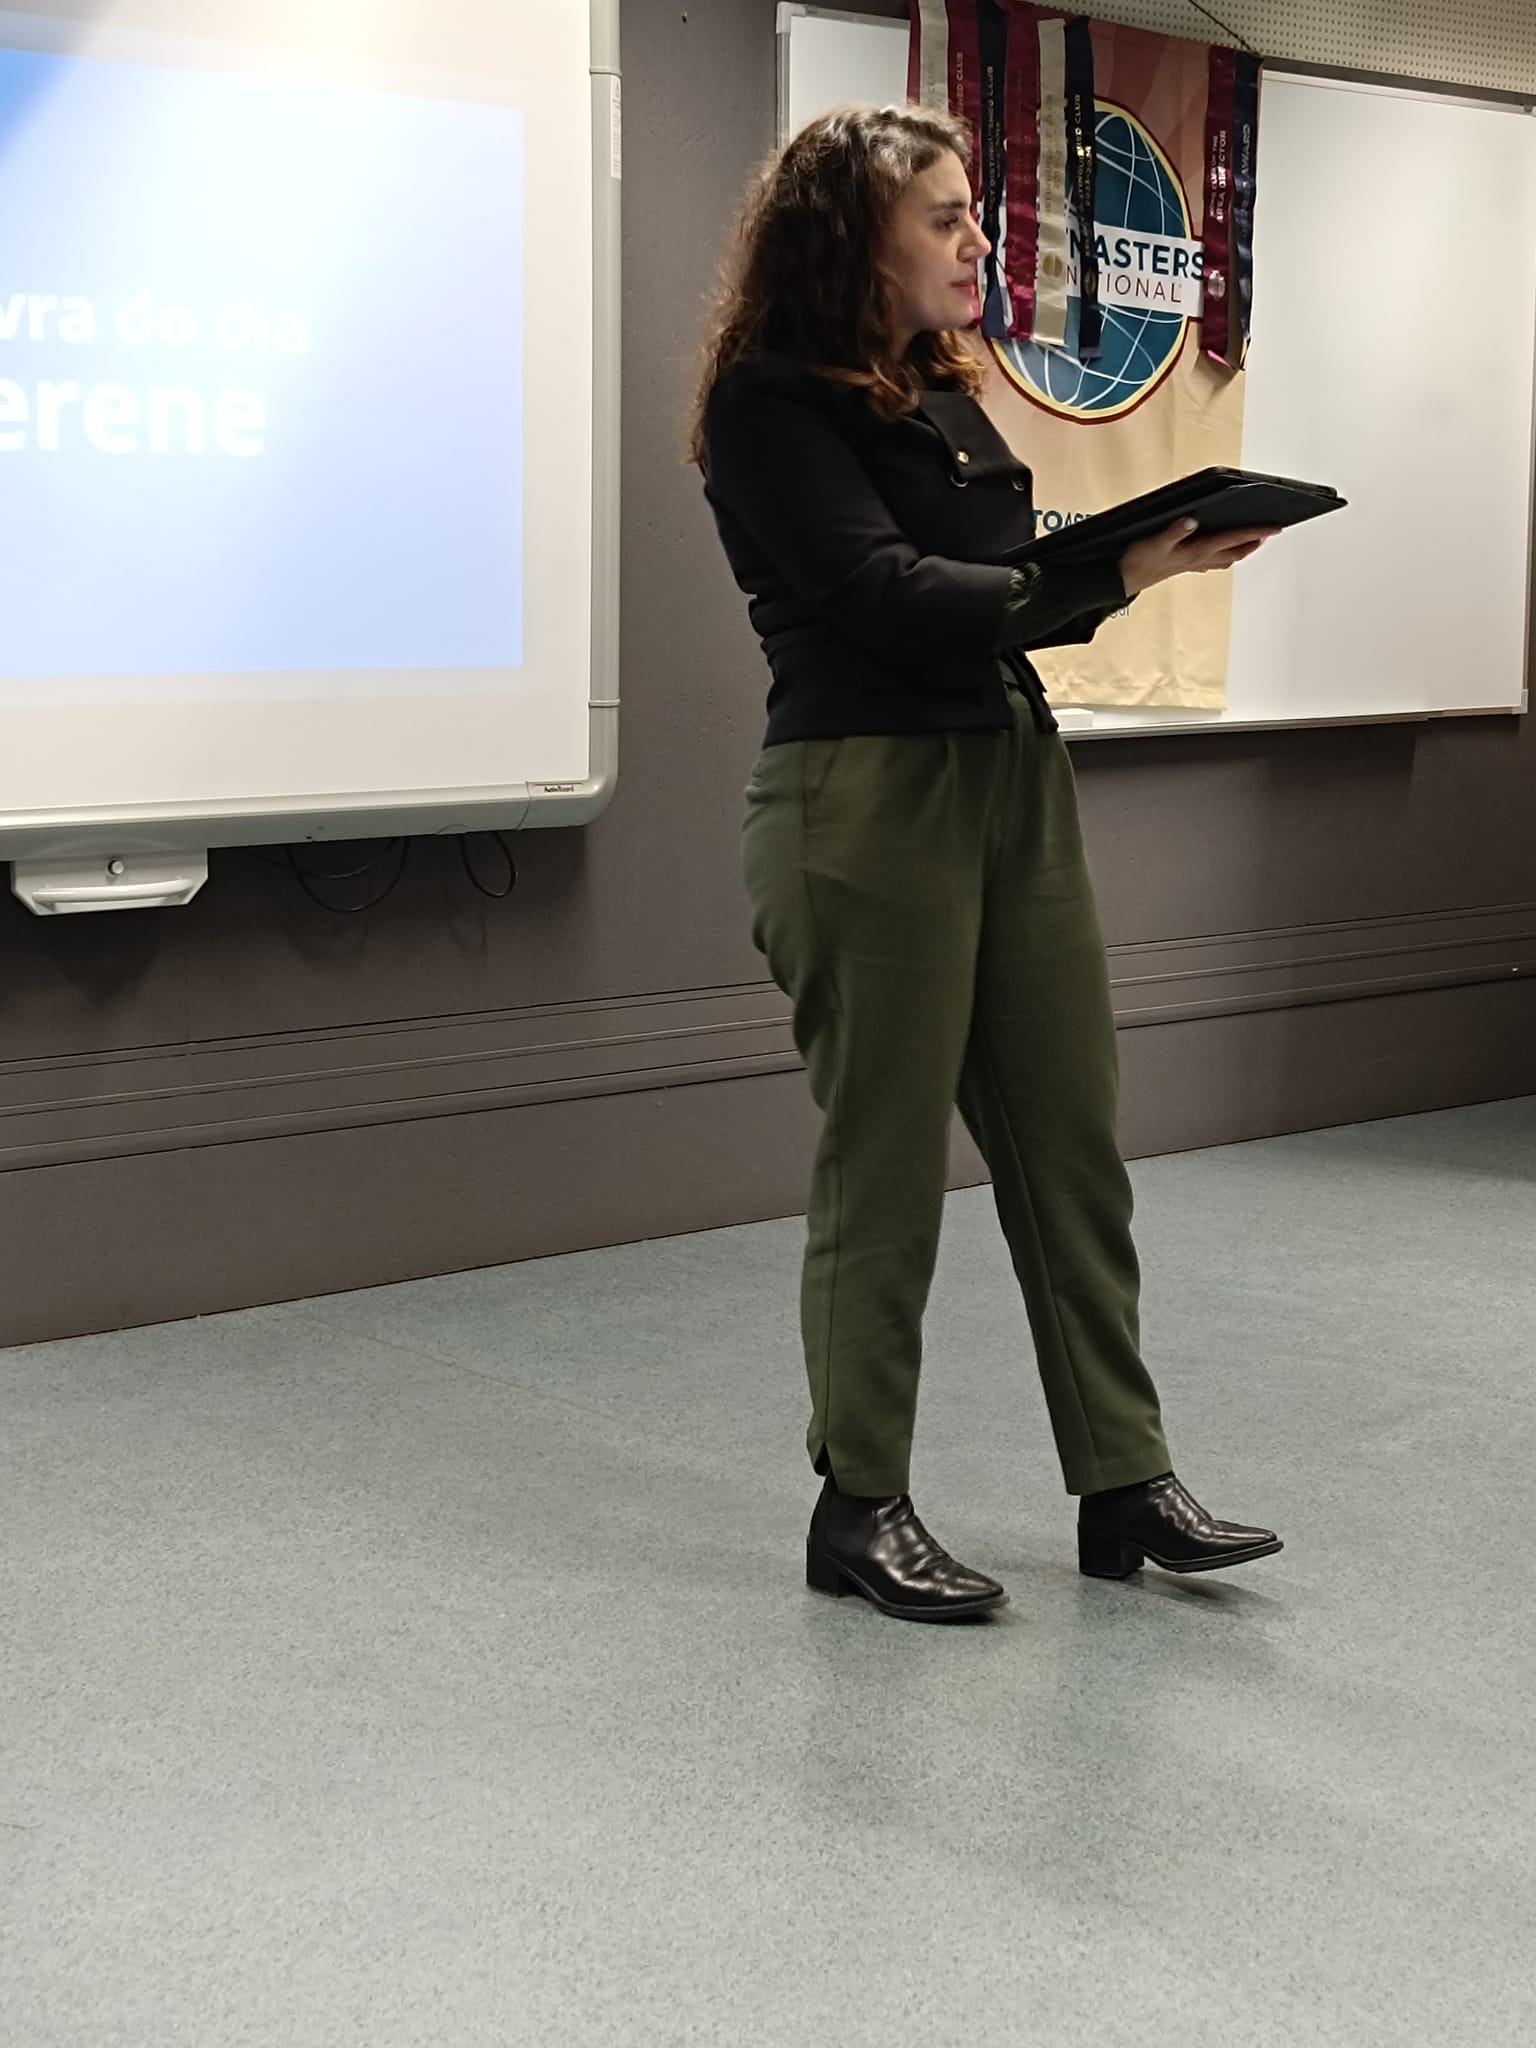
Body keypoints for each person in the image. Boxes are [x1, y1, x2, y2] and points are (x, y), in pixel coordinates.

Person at [692, 104, 1283, 1623]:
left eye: (975, 213)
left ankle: (1123, 1479)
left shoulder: (944, 390)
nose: (978, 242)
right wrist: (1113, 572)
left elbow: (999, 582)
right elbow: (888, 596)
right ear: (855, 238)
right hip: (863, 793)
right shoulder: (770, 403)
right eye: (946, 217)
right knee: (886, 1168)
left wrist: (1136, 558)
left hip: (1011, 772)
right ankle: (860, 1507)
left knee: (1071, 1145)